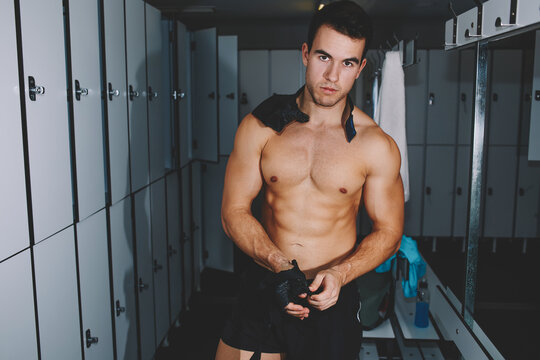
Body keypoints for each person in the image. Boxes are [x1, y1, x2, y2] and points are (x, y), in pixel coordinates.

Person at [215, 1, 404, 359]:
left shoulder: (375, 145)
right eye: (324, 57)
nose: (333, 75)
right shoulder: (260, 126)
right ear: (305, 53)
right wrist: (279, 266)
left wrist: (341, 274)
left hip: (331, 297)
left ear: (361, 67)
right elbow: (233, 211)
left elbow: (389, 232)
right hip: (265, 284)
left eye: (348, 63)